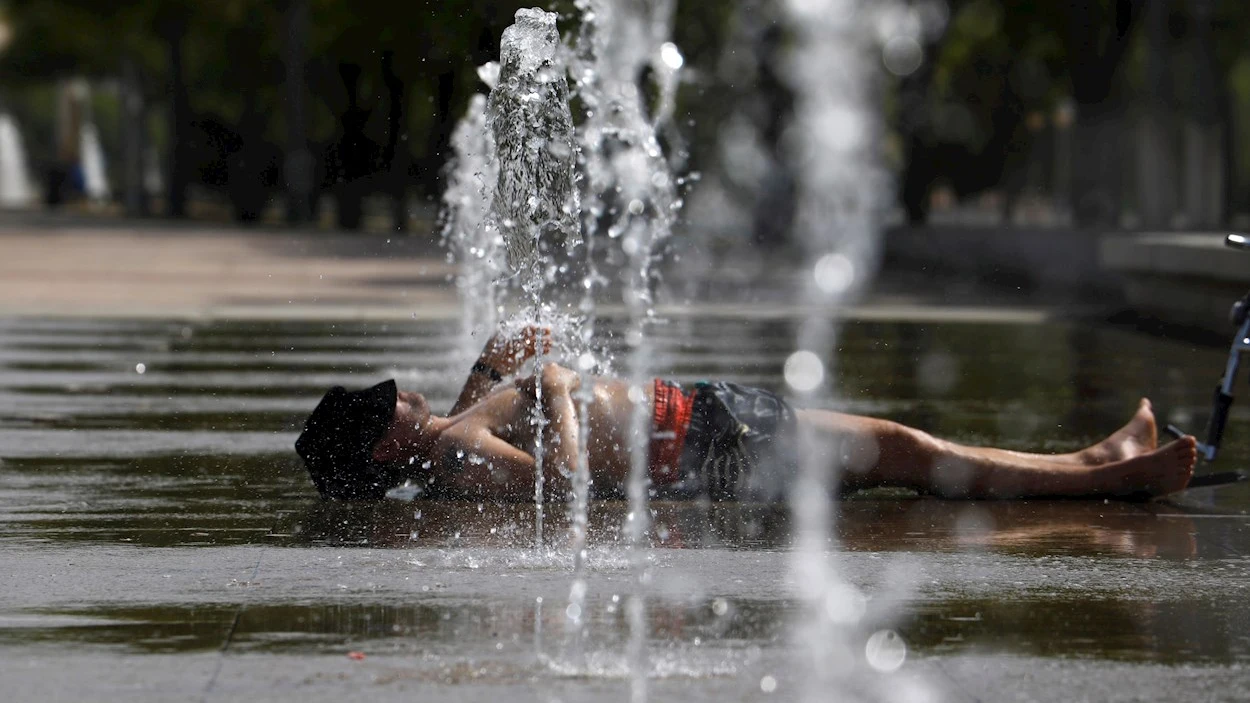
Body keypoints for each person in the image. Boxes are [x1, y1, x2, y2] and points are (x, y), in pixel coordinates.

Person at [295, 326, 1197, 502]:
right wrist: (560, 389)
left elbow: (473, 424)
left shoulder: (447, 445)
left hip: (698, 419)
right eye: (392, 402)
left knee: (900, 449)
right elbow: (561, 487)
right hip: (702, 441)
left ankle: (1094, 462)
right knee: (904, 450)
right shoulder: (457, 454)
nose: (406, 394)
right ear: (385, 439)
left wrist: (495, 360)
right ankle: (1103, 473)